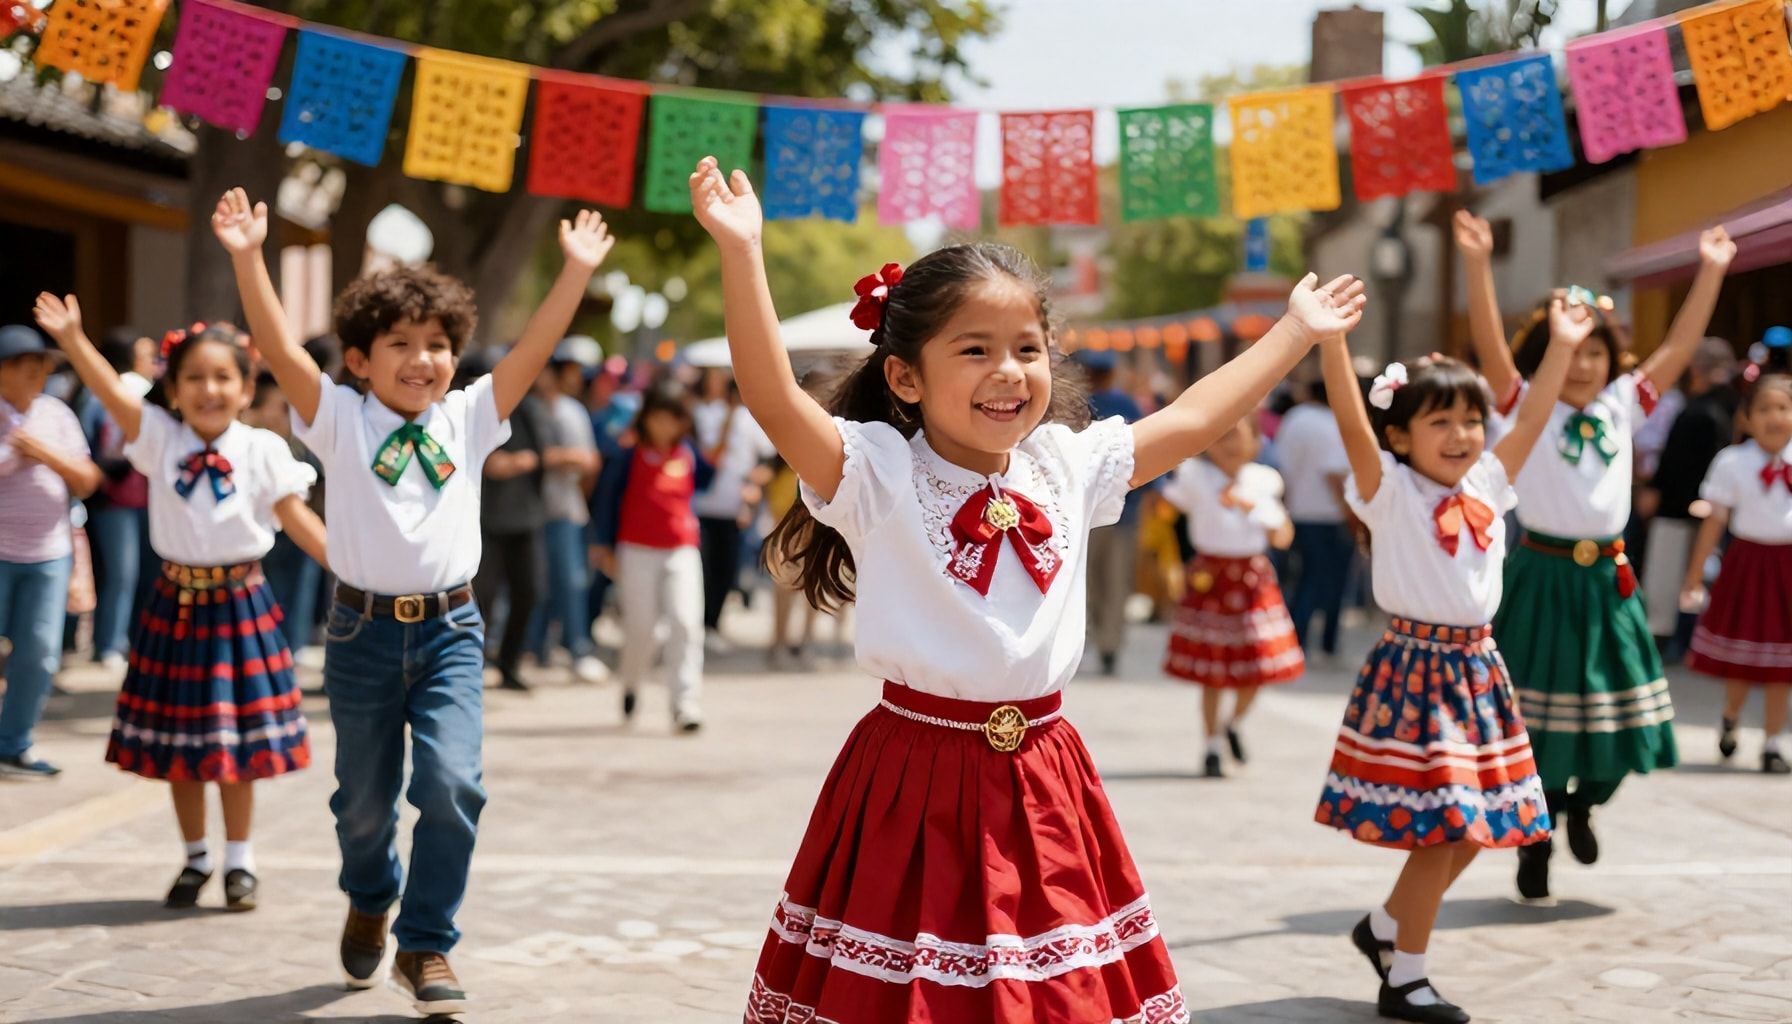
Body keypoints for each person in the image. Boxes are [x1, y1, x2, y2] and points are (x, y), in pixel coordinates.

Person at [689, 155, 1365, 1021]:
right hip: (912, 771)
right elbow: (775, 401)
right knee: (912, 994)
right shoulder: (881, 473)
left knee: (1057, 992)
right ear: (906, 376)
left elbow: (1196, 418)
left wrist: (1294, 330)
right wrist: (743, 252)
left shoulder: (1065, 463)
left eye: (1026, 349)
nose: (1008, 371)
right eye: (974, 350)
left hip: (1047, 770)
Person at [213, 186, 615, 1013]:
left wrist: (574, 273)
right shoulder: (338, 418)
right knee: (362, 804)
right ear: (360, 358)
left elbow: (533, 352)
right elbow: (282, 349)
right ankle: (370, 893)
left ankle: (426, 944)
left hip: (451, 632)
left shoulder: (469, 416)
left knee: (451, 784)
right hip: (360, 633)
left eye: (436, 343)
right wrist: (249, 256)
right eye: (399, 343)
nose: (421, 358)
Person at [1316, 300, 1589, 1024]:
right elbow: (1350, 420)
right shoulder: (1389, 491)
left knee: (1477, 827)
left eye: (1470, 420)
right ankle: (1406, 976)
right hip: (1416, 673)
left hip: (1478, 673)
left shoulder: (1488, 487)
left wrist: (1560, 344)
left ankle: (1383, 932)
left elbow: (1530, 420)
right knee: (1446, 829)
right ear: (1400, 436)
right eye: (1440, 422)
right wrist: (1333, 344)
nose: (1462, 435)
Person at [1457, 210, 1735, 902]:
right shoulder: (1526, 405)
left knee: (1626, 711)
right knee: (1539, 721)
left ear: (1611, 360)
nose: (1581, 363)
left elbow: (1677, 348)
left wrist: (1712, 271)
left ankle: (1584, 804)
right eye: (1568, 349)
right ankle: (1539, 830)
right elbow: (1492, 347)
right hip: (1541, 575)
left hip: (1609, 578)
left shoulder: (1622, 404)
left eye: (1593, 352)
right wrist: (1475, 263)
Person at [34, 298, 324, 910]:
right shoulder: (159, 437)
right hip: (177, 606)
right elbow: (112, 395)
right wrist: (75, 339)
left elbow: (295, 519)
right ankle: (195, 859)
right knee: (182, 747)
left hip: (242, 603)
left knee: (237, 746)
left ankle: (240, 861)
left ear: (246, 388)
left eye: (223, 377)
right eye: (193, 377)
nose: (208, 389)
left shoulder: (265, 450)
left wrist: (355, 570)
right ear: (173, 388)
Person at [1160, 415, 1300, 778]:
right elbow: (1165, 507)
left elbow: (1283, 536)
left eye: (1238, 436)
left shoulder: (1265, 480)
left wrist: (1266, 515)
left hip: (1252, 579)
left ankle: (1233, 724)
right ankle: (1210, 745)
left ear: (1256, 442)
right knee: (1213, 671)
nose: (1230, 445)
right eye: (1221, 437)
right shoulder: (1194, 476)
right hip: (1211, 577)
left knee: (1258, 662)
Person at [0, 324, 101, 779]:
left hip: (47, 554)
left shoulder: (56, 414)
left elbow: (87, 480)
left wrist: (46, 455)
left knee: (39, 653)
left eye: (43, 368)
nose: (40, 376)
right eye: (29, 368)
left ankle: (14, 742)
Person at [1681, 367, 1792, 774]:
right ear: (1746, 417)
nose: (1775, 417)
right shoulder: (1732, 462)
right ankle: (1730, 715)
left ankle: (1773, 742)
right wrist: (1694, 574)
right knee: (1744, 656)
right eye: (1764, 408)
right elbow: (1713, 521)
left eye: (1783, 407)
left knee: (1784, 663)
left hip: (1788, 569)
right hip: (1748, 567)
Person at [592, 380, 713, 731]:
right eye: (659, 418)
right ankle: (630, 683)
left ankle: (685, 704)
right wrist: (603, 545)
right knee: (641, 628)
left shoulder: (688, 451)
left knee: (686, 623)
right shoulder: (627, 452)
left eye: (673, 420)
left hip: (682, 548)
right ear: (646, 418)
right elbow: (607, 499)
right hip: (636, 550)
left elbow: (710, 476)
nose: (666, 427)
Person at [1638, 338, 1739, 656]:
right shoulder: (1731, 406)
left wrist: (1657, 491)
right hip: (1709, 509)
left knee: (1669, 580)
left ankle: (1668, 642)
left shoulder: (1699, 412)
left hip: (1679, 509)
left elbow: (1678, 462)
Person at [472, 351, 552, 694]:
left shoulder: (526, 409)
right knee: (481, 599)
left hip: (525, 517)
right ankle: (470, 669)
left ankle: (509, 662)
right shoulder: (469, 413)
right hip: (484, 521)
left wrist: (519, 462)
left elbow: (541, 455)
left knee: (530, 591)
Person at [528, 340, 606, 683]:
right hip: (532, 512)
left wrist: (549, 459)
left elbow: (589, 461)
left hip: (565, 511)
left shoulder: (571, 411)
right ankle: (537, 648)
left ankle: (577, 648)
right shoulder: (528, 408)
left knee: (571, 581)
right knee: (537, 585)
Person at [80, 326, 156, 672]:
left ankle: (128, 639)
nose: (152, 362)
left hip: (142, 498)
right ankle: (110, 642)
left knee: (137, 574)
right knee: (121, 574)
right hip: (114, 497)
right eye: (145, 355)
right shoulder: (116, 393)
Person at [243, 373, 327, 653]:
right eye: (281, 406)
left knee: (299, 595)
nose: (287, 414)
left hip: (302, 533)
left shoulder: (301, 441)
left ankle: (292, 647)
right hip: (261, 538)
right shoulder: (246, 440)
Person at [1076, 349, 1146, 675]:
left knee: (1088, 578)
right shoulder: (1126, 405)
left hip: (1089, 511)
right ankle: (1108, 642)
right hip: (1122, 509)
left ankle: (1095, 639)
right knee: (1115, 580)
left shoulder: (1078, 404)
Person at [693, 370, 774, 650]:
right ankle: (698, 624)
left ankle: (713, 624)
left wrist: (753, 487)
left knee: (725, 571)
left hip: (732, 509)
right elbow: (706, 457)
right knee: (702, 569)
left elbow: (766, 459)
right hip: (702, 506)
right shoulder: (702, 414)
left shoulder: (748, 419)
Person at [1277, 376, 1354, 659]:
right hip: (1330, 513)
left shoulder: (1295, 419)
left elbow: (1283, 464)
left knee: (1305, 577)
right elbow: (1335, 473)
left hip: (1299, 510)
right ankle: (1328, 642)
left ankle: (1297, 637)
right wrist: (1350, 512)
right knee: (1333, 581)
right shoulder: (1333, 422)